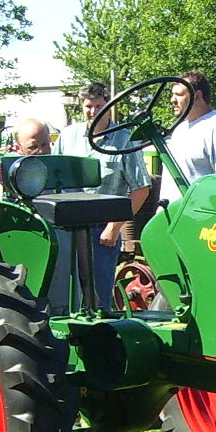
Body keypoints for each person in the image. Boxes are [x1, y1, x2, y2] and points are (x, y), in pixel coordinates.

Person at [51, 82, 152, 311]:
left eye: (98, 106)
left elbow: (141, 189)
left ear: (108, 106)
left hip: (101, 231)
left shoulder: (125, 139)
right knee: (66, 295)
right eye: (88, 106)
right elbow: (54, 180)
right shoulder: (68, 136)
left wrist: (114, 227)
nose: (93, 112)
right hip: (69, 227)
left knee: (99, 299)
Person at [160, 71, 216, 203]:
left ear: (197, 96)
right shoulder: (179, 129)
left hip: (199, 219)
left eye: (179, 94)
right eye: (173, 94)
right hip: (172, 216)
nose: (173, 100)